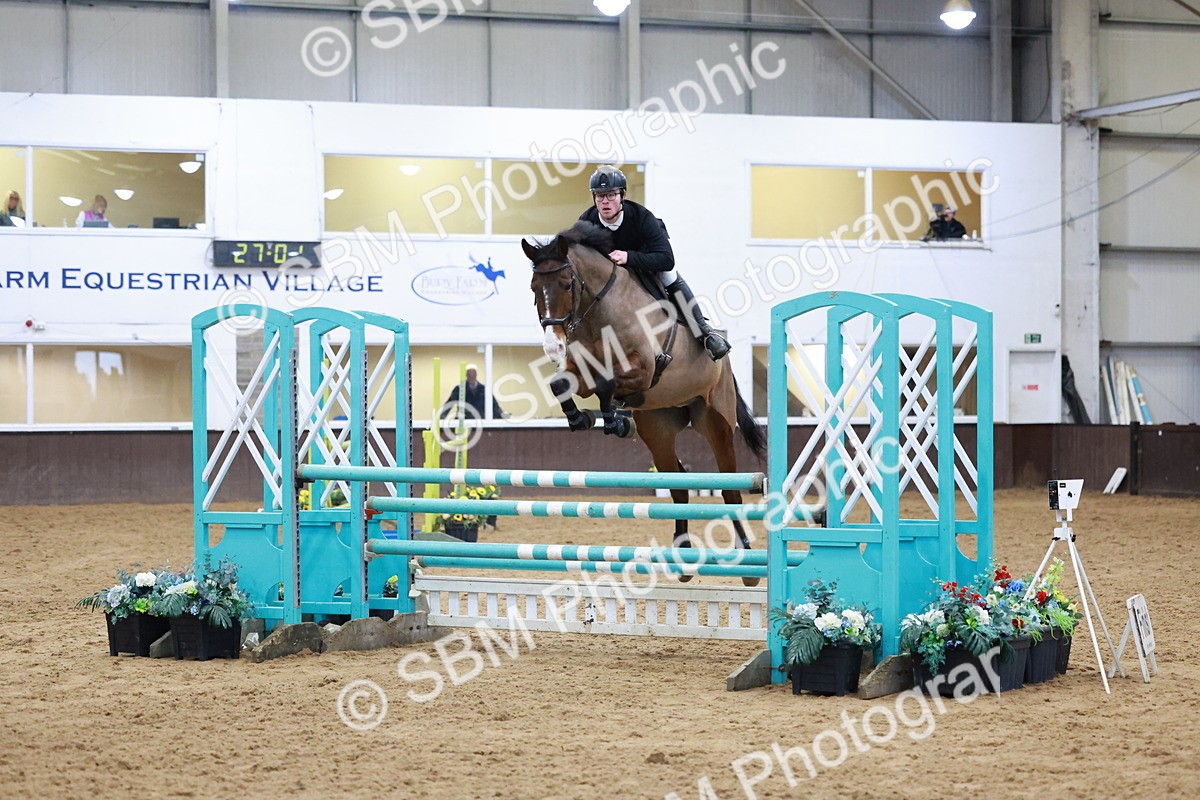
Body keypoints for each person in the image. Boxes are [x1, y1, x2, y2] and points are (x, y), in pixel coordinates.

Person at [577, 165, 730, 361]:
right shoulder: (586, 222)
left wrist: (628, 257)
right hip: (608, 276)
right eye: (600, 196)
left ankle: (704, 332)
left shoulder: (642, 217)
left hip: (645, 265)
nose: (605, 201)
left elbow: (667, 260)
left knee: (670, 275)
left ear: (621, 195)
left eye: (611, 195)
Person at [440, 365, 508, 420]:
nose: (471, 377)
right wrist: (441, 417)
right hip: (464, 422)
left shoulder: (483, 389)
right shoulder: (459, 389)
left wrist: (502, 415)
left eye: (473, 374)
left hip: (481, 421)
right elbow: (449, 404)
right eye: (469, 375)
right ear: (466, 375)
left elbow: (494, 405)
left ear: (476, 375)